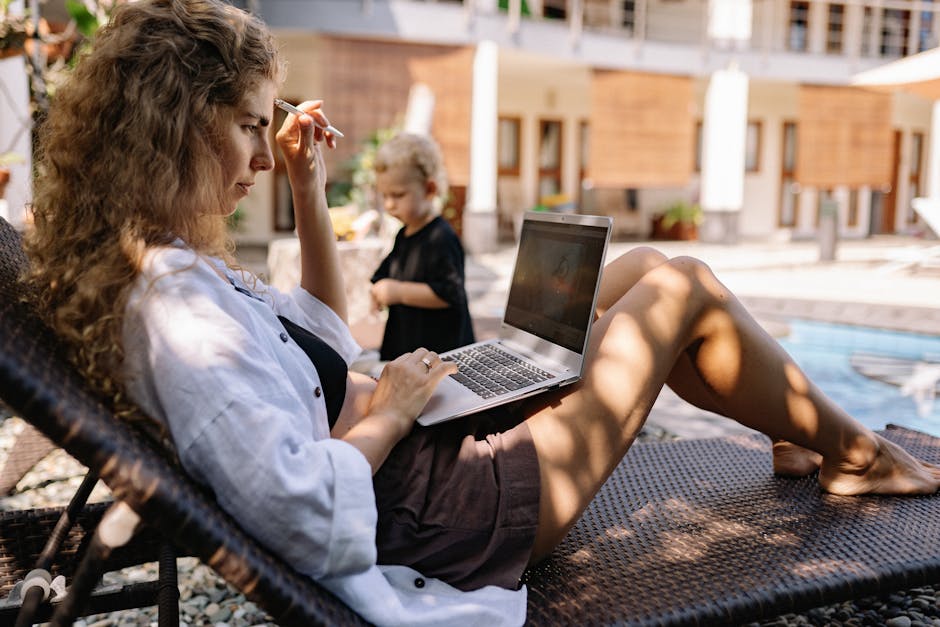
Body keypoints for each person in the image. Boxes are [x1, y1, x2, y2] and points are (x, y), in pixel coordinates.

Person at [22, 1, 939, 625]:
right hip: (452, 512)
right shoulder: (175, 312)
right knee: (683, 285)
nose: (262, 154)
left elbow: (323, 339)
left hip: (425, 456)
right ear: (178, 125)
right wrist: (391, 413)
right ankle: (858, 455)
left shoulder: (171, 271)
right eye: (252, 128)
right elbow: (296, 504)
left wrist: (307, 187)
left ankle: (803, 431)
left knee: (650, 265)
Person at [369, 132, 475, 360]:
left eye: (398, 195)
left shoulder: (442, 238)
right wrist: (378, 290)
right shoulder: (403, 235)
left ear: (429, 189)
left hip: (439, 355)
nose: (389, 204)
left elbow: (449, 294)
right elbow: (384, 274)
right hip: (409, 347)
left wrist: (398, 292)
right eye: (384, 195)